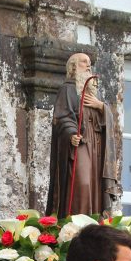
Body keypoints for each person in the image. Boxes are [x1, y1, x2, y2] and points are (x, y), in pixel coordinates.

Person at [46, 52, 119, 218]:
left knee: (96, 185)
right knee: (82, 183)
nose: (88, 65)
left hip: (97, 146)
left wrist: (101, 106)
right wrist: (71, 133)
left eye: (89, 63)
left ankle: (95, 223)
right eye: (83, 62)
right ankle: (77, 224)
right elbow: (62, 116)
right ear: (73, 67)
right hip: (81, 144)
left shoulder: (95, 94)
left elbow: (107, 121)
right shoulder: (67, 89)